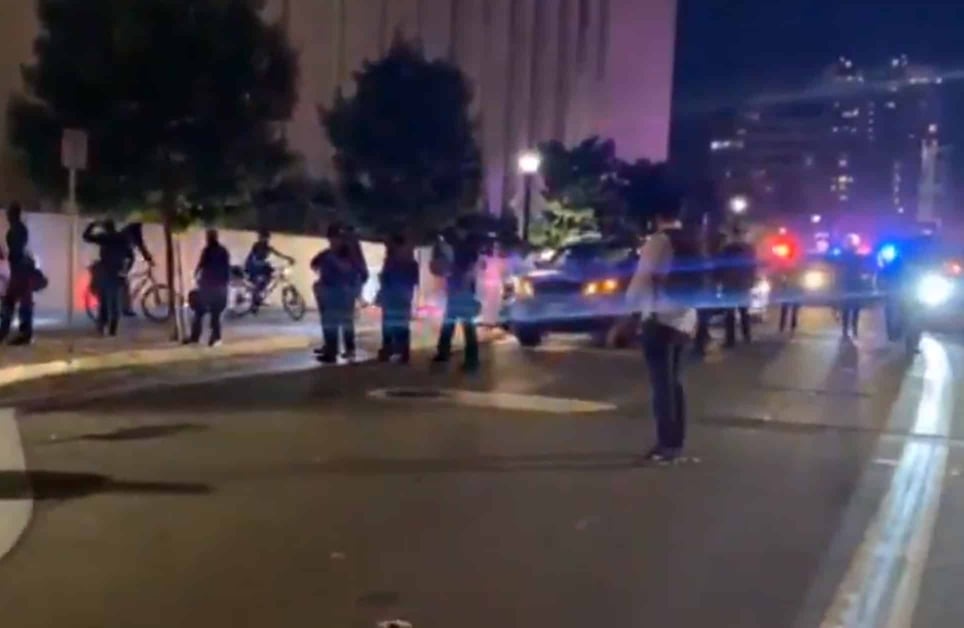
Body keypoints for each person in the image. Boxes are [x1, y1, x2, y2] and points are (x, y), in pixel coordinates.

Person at [622, 205, 699, 463]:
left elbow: (642, 279)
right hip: (685, 320)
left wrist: (629, 312)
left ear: (657, 217)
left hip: (659, 318)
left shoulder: (659, 241)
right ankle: (676, 441)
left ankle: (665, 444)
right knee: (675, 383)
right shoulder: (693, 240)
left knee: (661, 386)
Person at [432, 219, 482, 372]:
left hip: (462, 289)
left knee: (459, 323)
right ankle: (452, 354)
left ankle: (457, 356)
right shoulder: (465, 246)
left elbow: (470, 269)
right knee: (458, 323)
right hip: (459, 289)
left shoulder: (466, 247)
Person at [311, 224, 359, 363]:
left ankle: (348, 350)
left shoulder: (348, 254)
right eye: (332, 238)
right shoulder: (326, 254)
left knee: (345, 322)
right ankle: (331, 351)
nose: (334, 241)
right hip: (330, 292)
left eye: (337, 238)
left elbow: (352, 271)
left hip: (344, 292)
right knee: (330, 323)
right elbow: (314, 264)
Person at [377, 233, 420, 363]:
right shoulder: (411, 263)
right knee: (401, 325)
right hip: (403, 297)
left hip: (392, 297)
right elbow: (414, 281)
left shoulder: (391, 261)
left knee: (389, 325)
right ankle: (402, 352)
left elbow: (385, 279)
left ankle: (389, 350)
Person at [83, 218, 129, 336]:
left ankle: (102, 325)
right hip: (118, 272)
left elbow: (86, 237)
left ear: (105, 228)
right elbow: (130, 256)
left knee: (104, 300)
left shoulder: (105, 237)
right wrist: (125, 270)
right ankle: (113, 328)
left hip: (106, 271)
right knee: (115, 301)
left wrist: (92, 225)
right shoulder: (122, 238)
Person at [187, 229, 231, 346]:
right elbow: (227, 269)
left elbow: (200, 266)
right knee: (215, 315)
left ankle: (195, 337)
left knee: (199, 313)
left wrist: (196, 277)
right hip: (219, 287)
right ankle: (215, 338)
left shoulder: (207, 250)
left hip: (208, 286)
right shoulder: (223, 251)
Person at [0, 202, 34, 345]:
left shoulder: (16, 230)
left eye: (9, 213)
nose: (7, 216)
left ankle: (9, 331)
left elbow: (16, 250)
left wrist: (11, 258)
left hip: (19, 269)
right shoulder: (19, 228)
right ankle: (21, 332)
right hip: (20, 268)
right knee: (20, 300)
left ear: (13, 214)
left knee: (12, 301)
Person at [717, 228, 756, 347]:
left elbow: (720, 267)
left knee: (730, 314)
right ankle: (746, 336)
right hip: (742, 284)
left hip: (730, 284)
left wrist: (719, 281)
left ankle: (730, 339)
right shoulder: (748, 249)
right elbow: (752, 267)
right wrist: (751, 281)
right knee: (743, 312)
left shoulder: (726, 249)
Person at [245, 229, 294, 310]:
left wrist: (287, 258)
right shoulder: (256, 246)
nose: (265, 239)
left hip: (262, 265)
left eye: (266, 238)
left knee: (269, 276)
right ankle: (254, 302)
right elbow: (253, 257)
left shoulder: (267, 247)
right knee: (262, 280)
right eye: (263, 238)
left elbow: (277, 253)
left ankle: (259, 297)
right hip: (253, 266)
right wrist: (261, 263)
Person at [119, 222, 154, 316]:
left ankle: (125, 305)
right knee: (124, 281)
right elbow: (140, 244)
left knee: (125, 279)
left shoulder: (131, 227)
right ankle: (125, 308)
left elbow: (139, 244)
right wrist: (148, 258)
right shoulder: (134, 228)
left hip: (125, 255)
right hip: (122, 255)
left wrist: (147, 257)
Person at [837, 243, 865, 339]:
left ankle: (846, 330)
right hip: (855, 286)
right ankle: (853, 328)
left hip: (848, 286)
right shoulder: (857, 258)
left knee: (847, 310)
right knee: (854, 309)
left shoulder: (844, 258)